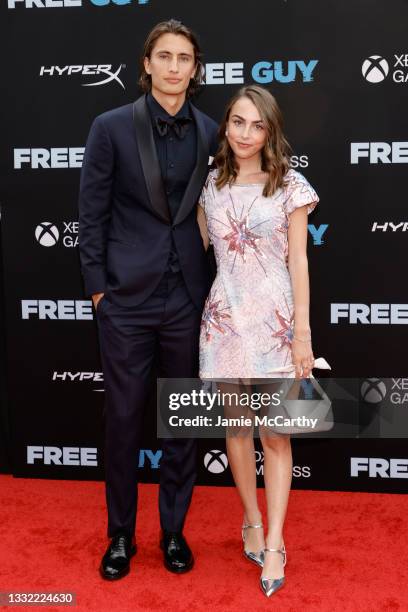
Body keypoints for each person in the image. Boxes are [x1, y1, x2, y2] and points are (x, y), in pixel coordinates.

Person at [78, 19, 218, 580]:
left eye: (185, 57)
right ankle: (120, 536)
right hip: (126, 299)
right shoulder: (110, 126)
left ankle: (174, 531)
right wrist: (97, 290)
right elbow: (92, 214)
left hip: (187, 295)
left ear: (195, 67)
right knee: (124, 420)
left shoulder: (211, 131)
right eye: (165, 56)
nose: (175, 67)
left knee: (180, 420)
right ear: (147, 65)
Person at [197, 85, 325, 597]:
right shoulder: (209, 185)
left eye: (257, 125)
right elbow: (202, 246)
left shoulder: (290, 185)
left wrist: (302, 333)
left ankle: (274, 541)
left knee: (276, 437)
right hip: (224, 323)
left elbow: (299, 260)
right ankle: (250, 519)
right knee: (237, 430)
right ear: (225, 126)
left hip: (275, 326)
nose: (246, 134)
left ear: (270, 131)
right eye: (238, 122)